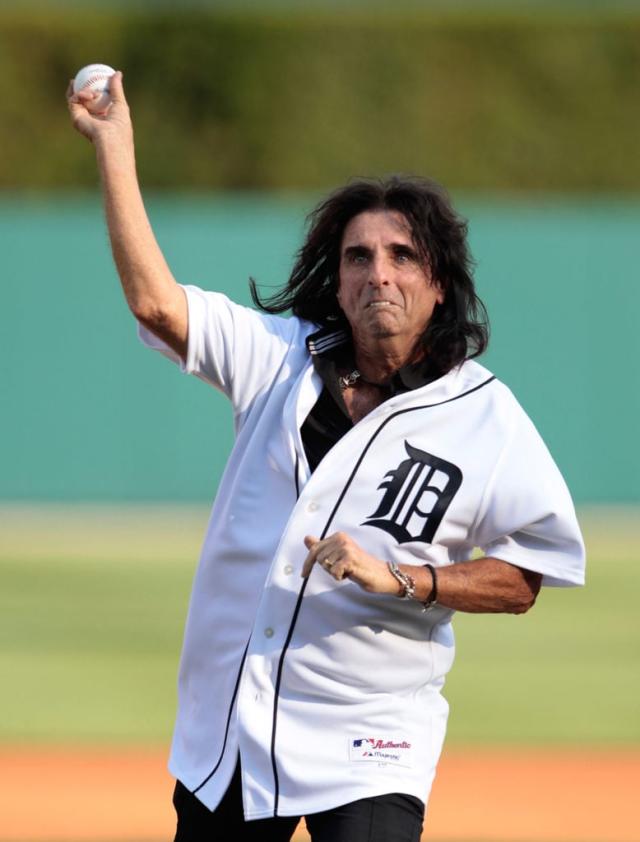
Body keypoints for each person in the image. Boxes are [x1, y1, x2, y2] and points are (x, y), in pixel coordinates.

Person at [68, 73, 585, 842]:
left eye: (403, 256)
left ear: (438, 283)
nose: (379, 271)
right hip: (238, 721)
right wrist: (115, 146)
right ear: (336, 283)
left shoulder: (486, 418)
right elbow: (155, 303)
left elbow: (527, 576)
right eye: (358, 256)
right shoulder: (277, 359)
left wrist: (408, 578)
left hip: (374, 735)